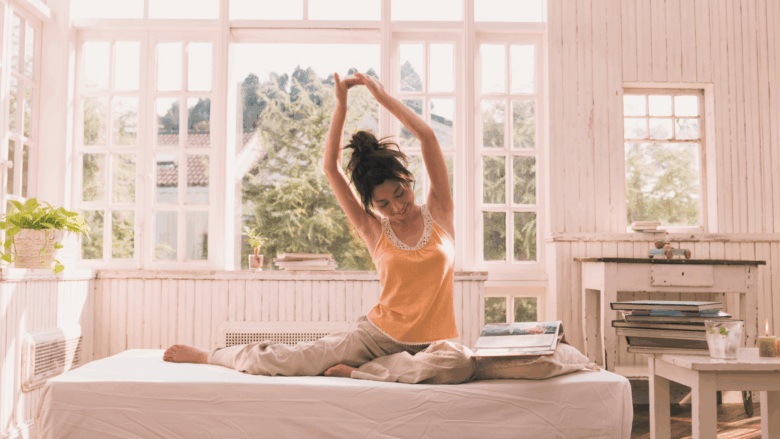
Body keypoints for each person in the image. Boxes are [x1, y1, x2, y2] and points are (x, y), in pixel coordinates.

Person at [163, 72, 475, 384]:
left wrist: (380, 96)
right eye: (383, 204)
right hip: (377, 337)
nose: (396, 208)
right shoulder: (374, 230)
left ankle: (364, 372)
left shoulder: (440, 212)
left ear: (408, 181)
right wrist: (340, 106)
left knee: (460, 363)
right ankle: (210, 355)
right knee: (285, 360)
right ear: (372, 205)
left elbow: (428, 138)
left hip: (433, 345)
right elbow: (331, 169)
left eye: (399, 194)